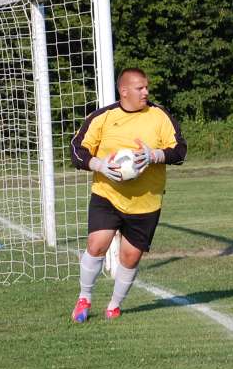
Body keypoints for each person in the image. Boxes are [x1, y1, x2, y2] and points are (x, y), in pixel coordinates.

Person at [69, 67, 187, 321]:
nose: (146, 92)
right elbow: (77, 150)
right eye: (140, 88)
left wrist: (155, 155)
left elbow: (180, 150)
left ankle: (114, 305)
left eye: (146, 87)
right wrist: (99, 165)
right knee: (96, 244)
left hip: (147, 201)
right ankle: (84, 298)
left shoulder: (159, 116)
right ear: (124, 91)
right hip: (107, 195)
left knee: (130, 257)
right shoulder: (102, 117)